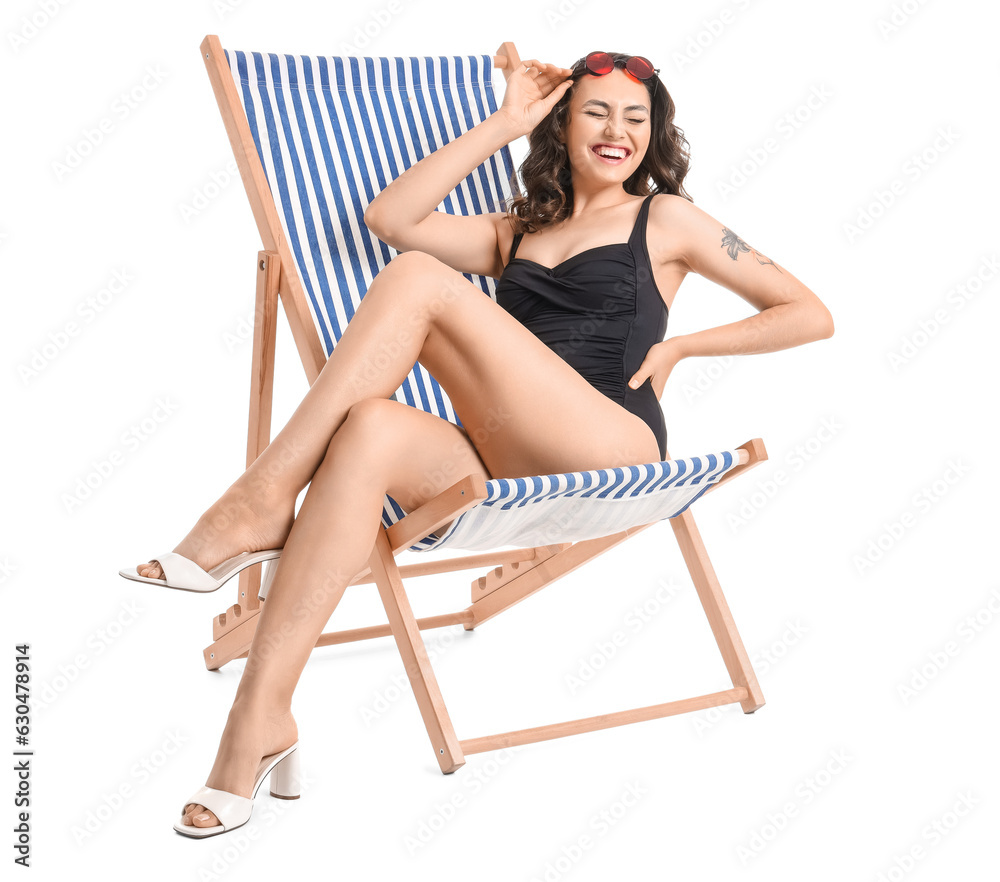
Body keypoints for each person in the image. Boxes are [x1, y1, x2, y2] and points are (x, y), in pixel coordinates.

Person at [123, 50, 834, 837]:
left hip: (612, 448)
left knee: (418, 278)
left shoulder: (663, 218)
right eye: (595, 111)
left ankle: (258, 501)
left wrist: (682, 348)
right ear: (563, 124)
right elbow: (391, 220)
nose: (617, 131)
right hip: (506, 462)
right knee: (370, 427)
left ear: (654, 133)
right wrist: (504, 122)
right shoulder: (517, 229)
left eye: (637, 118)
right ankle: (258, 723)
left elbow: (807, 311)